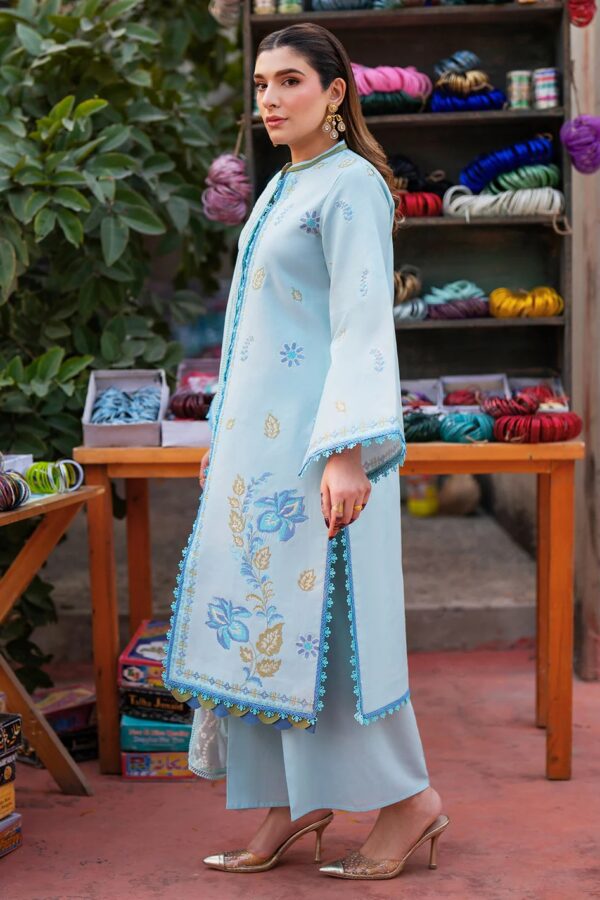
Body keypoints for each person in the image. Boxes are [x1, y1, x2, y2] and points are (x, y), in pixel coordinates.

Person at [162, 21, 449, 881]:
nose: (271, 99)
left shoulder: (351, 185)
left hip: (322, 456)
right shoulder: (284, 186)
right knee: (265, 631)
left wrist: (348, 452)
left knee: (339, 634)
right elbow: (256, 331)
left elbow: (361, 324)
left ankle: (410, 804)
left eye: (290, 81)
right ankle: (287, 805)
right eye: (261, 84)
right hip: (259, 462)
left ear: (335, 92)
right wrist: (224, 437)